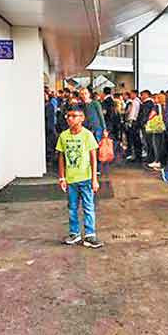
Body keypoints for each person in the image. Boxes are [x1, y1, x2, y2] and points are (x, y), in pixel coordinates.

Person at [56, 105, 103, 249]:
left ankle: (90, 235)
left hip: (86, 179)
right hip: (71, 180)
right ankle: (74, 233)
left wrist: (94, 179)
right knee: (72, 208)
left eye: (74, 116)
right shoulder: (63, 136)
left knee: (88, 207)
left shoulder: (87, 135)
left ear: (82, 118)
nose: (70, 119)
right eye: (68, 116)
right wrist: (62, 177)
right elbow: (61, 157)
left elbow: (93, 158)